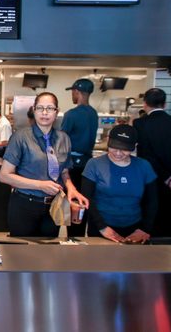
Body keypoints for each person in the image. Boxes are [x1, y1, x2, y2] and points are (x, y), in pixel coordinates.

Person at [0, 92, 88, 237]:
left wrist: (71, 189)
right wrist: (40, 185)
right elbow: (4, 176)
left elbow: (64, 171)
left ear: (56, 112)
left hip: (55, 205)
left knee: (48, 254)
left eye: (50, 108)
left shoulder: (64, 138)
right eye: (40, 108)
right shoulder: (20, 137)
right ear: (34, 110)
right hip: (25, 204)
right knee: (21, 253)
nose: (45, 112)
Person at [81, 124, 158, 243]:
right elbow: (87, 198)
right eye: (114, 147)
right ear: (108, 141)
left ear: (135, 146)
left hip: (135, 228)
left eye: (124, 149)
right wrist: (102, 227)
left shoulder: (144, 166)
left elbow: (152, 201)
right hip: (101, 228)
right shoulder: (94, 164)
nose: (118, 153)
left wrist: (144, 229)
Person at [133, 88, 171, 236]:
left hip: (151, 182)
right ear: (165, 104)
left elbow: (145, 156)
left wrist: (166, 177)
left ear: (145, 104)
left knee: (151, 223)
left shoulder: (140, 124)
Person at [62, 79, 99, 237]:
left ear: (76, 92)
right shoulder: (93, 113)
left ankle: (72, 239)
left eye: (73, 92)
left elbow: (61, 140)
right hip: (88, 164)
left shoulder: (72, 114)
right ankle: (79, 236)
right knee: (84, 201)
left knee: (73, 203)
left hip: (73, 166)